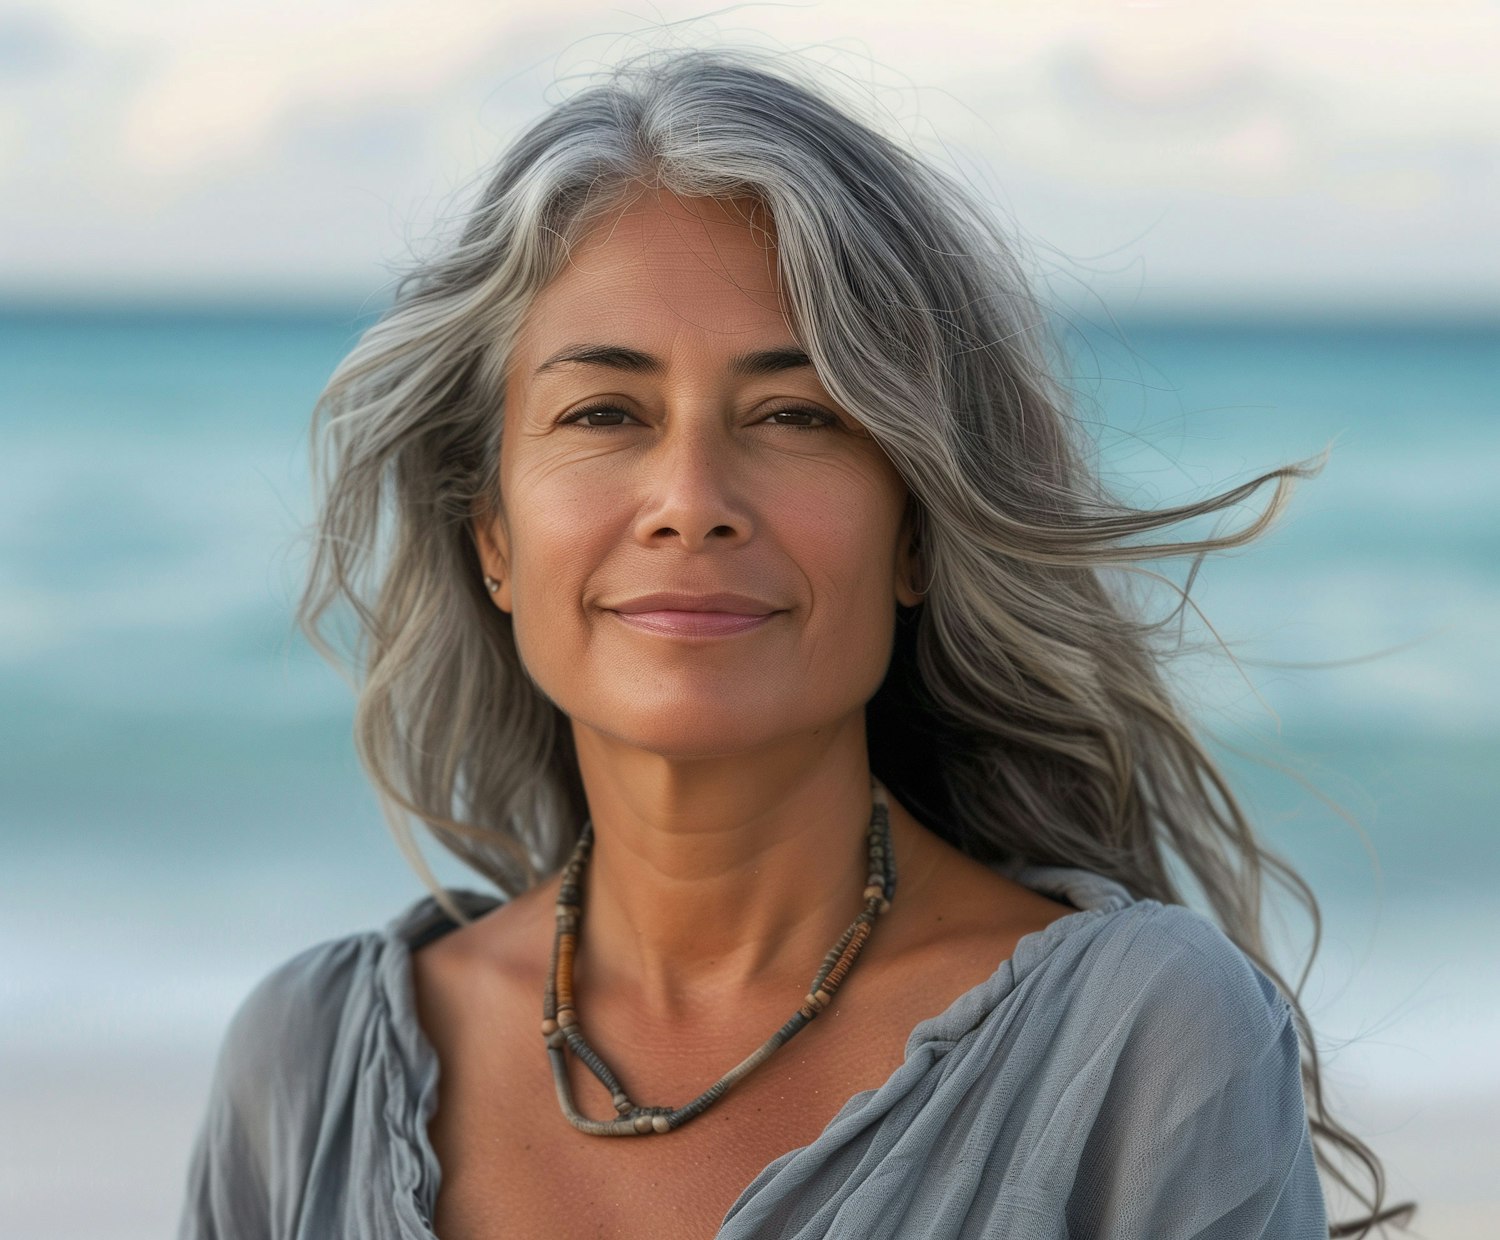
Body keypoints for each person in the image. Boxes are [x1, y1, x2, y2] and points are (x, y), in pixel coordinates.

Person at [177, 44, 1413, 1240]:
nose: (690, 494)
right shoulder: (305, 1068)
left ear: (918, 530)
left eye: (798, 412)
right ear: (490, 529)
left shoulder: (1141, 1042)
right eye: (604, 410)